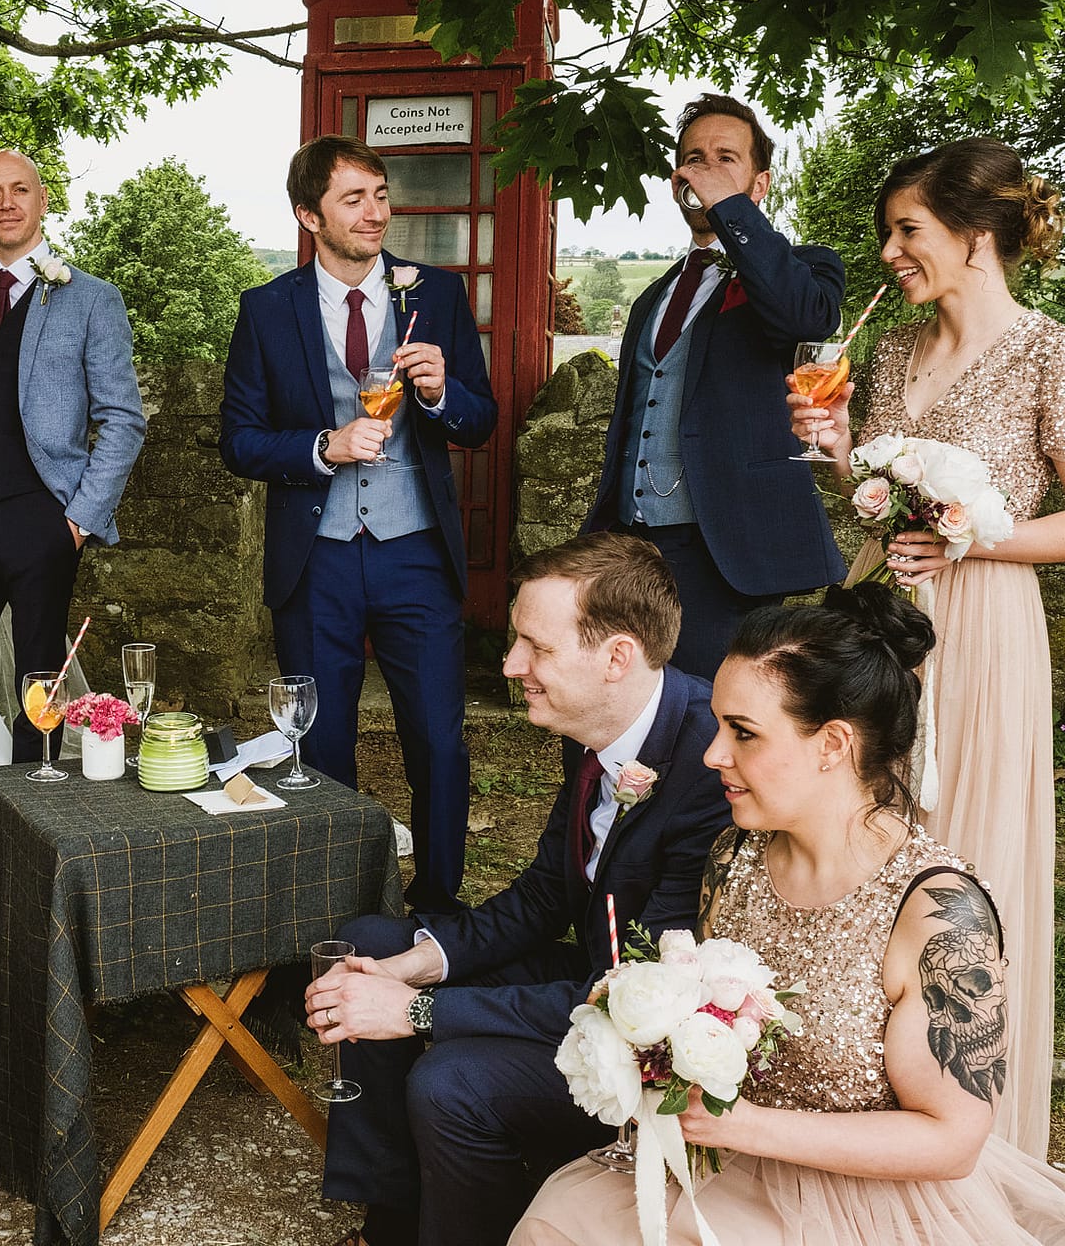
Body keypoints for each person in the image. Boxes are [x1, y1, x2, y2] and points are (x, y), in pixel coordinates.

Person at [513, 585, 1065, 1244]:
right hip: (727, 1166)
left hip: (871, 1202)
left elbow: (952, 1142)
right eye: (718, 725)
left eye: (742, 732)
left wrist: (742, 1124)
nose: (713, 754)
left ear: (832, 743)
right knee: (563, 1218)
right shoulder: (734, 856)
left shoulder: (940, 913)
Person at [305, 532, 731, 1246]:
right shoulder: (597, 725)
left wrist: (415, 1010)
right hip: (599, 978)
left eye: (537, 647)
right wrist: (419, 964)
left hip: (650, 1029)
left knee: (450, 1078)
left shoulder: (707, 767)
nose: (511, 667)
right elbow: (543, 898)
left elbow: (632, 992)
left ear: (617, 657)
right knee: (372, 943)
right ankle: (394, 1221)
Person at [790, 137, 1065, 1157]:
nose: (892, 252)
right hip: (876, 618)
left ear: (977, 234)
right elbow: (875, 498)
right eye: (888, 233)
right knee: (867, 840)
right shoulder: (896, 351)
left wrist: (969, 535)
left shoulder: (1047, 349)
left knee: (964, 858)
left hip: (983, 633)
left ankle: (970, 1139)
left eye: (908, 230)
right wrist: (833, 453)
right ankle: (861, 1113)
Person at [222, 134, 497, 912]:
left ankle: (440, 906)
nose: (376, 213)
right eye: (354, 199)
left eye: (380, 194)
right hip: (319, 560)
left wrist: (444, 394)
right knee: (322, 746)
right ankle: (338, 909)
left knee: (439, 743)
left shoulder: (433, 294)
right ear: (310, 215)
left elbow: (480, 420)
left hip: (415, 553)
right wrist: (322, 445)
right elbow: (238, 438)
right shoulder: (267, 309)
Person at [0, 149, 146, 905]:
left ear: (43, 203)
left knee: (37, 697)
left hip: (43, 520)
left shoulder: (90, 298)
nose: (6, 203)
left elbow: (123, 420)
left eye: (20, 190)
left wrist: (78, 519)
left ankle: (29, 852)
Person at [584, 94, 846, 681]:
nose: (703, 169)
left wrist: (729, 208)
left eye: (725, 158)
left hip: (726, 546)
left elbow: (805, 319)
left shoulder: (805, 267)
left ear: (760, 185)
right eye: (692, 158)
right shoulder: (654, 294)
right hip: (631, 540)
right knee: (616, 701)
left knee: (706, 718)